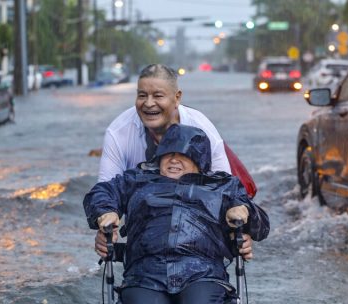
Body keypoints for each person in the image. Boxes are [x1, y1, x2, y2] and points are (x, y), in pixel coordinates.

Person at [84, 124, 269, 304]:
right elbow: (100, 193)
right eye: (167, 154)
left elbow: (262, 227)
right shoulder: (136, 180)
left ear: (200, 160)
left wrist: (244, 210)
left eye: (183, 155)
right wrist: (105, 212)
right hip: (145, 273)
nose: (173, 160)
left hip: (202, 272)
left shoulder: (223, 186)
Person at [95, 63, 254, 260]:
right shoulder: (119, 132)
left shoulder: (201, 128)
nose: (149, 103)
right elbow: (106, 190)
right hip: (148, 231)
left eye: (158, 96)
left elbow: (225, 189)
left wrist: (239, 231)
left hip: (197, 234)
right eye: (142, 95)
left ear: (177, 97)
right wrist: (105, 223)